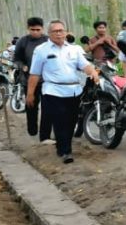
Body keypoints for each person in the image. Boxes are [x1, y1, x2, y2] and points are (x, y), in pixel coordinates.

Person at [26, 21, 99, 164]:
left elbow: (85, 65)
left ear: (66, 32)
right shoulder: (41, 50)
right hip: (52, 91)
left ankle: (62, 146)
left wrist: (93, 73)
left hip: (73, 91)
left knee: (71, 121)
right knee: (59, 120)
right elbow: (34, 74)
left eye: (61, 30)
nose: (59, 33)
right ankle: (66, 151)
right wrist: (30, 94)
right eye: (55, 31)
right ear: (49, 33)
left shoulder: (74, 49)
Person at [13, 17, 51, 142]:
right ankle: (32, 129)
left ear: (42, 29)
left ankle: (45, 134)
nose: (35, 32)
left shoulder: (48, 41)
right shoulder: (22, 42)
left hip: (46, 81)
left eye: (38, 30)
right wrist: (22, 66)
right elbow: (16, 59)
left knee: (47, 108)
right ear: (28, 29)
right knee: (31, 106)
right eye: (32, 30)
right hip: (28, 80)